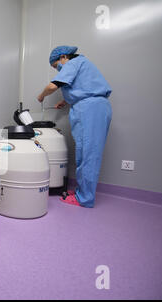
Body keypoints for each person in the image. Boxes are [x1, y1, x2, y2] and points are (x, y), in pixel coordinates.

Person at [37, 45, 112, 208]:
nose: (58, 70)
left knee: (88, 154)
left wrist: (41, 96)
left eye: (56, 66)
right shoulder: (82, 64)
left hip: (90, 109)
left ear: (63, 57)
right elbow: (84, 88)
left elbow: (52, 86)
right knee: (84, 152)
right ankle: (81, 192)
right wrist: (66, 101)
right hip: (89, 107)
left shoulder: (73, 62)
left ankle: (84, 198)